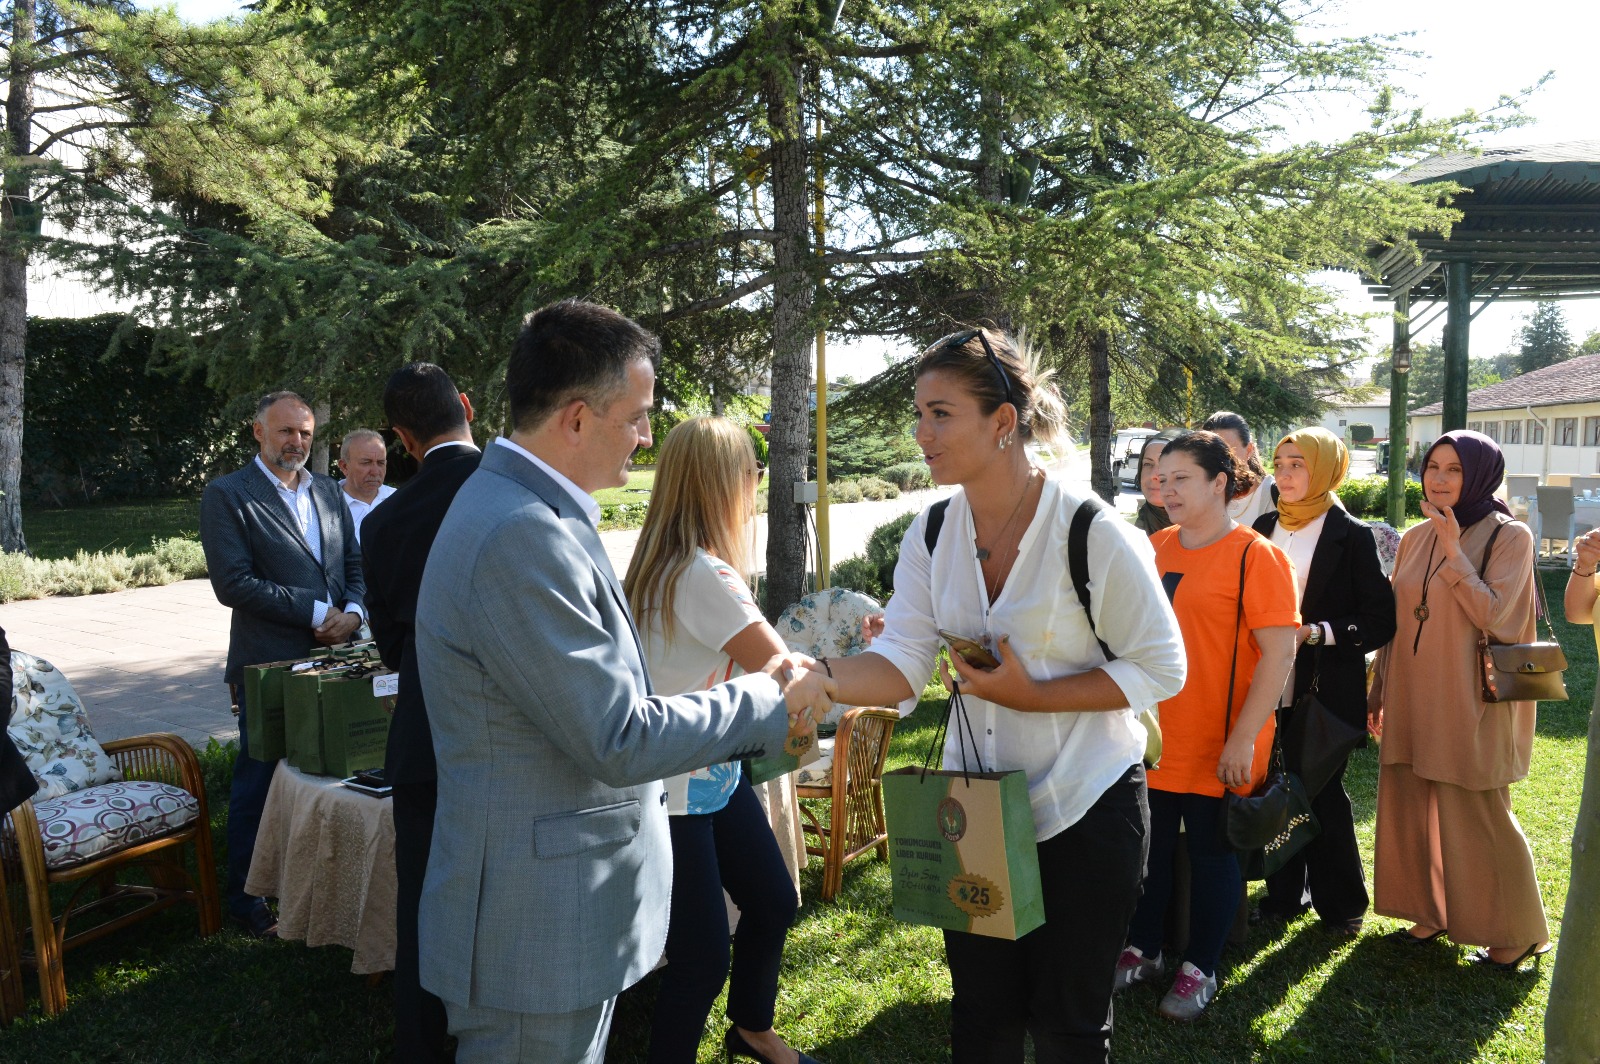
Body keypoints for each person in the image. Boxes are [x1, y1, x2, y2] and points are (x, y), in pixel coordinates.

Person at [412, 300, 835, 1064]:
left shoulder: (531, 511)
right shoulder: (520, 533)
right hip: (533, 933)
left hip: (555, 915)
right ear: (576, 419)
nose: (646, 437)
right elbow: (617, 734)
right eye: (637, 417)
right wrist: (769, 697)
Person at [821, 327, 1186, 1063]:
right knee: (982, 1021)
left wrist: (1031, 698)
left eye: (940, 413)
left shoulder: (1090, 530)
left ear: (1003, 422)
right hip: (980, 813)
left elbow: (1163, 667)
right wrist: (818, 679)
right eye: (918, 413)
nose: (920, 433)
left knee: (1069, 1027)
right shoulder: (931, 530)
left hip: (1087, 808)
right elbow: (901, 660)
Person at [623, 416, 820, 1064]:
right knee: (704, 958)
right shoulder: (704, 573)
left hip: (702, 773)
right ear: (722, 483)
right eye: (750, 471)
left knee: (771, 900)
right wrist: (851, 667)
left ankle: (750, 1029)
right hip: (678, 790)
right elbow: (783, 669)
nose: (758, 483)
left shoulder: (658, 564)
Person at [1117, 430, 1298, 1021]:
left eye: (1180, 479)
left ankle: (1202, 967)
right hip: (1155, 740)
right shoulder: (1153, 547)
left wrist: (1245, 737)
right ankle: (1143, 951)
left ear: (1220, 483)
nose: (1165, 489)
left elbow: (1278, 655)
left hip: (1224, 742)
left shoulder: (1257, 556)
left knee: (1216, 857)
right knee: (1151, 850)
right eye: (1160, 478)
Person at [1367, 430, 1551, 969]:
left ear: (1480, 475)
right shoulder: (1415, 536)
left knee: (1475, 805)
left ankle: (1514, 932)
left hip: (1471, 694)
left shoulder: (1508, 536)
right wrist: (1378, 685)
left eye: (1454, 469)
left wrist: (1454, 550)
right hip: (1410, 687)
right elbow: (1398, 623)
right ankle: (1431, 910)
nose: (1440, 479)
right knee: (1411, 794)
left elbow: (1496, 615)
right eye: (1432, 467)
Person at [200, 391, 366, 938]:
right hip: (269, 666)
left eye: (306, 433)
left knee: (330, 773)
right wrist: (319, 610)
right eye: (285, 432)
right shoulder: (227, 495)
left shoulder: (327, 492)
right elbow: (234, 583)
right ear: (258, 432)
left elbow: (355, 565)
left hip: (336, 660)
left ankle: (315, 883)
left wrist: (354, 612)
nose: (296, 442)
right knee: (260, 782)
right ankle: (247, 901)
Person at [359, 363, 480, 1064]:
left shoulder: (384, 522)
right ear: (466, 406)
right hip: (503, 737)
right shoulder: (512, 489)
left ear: (402, 439)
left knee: (421, 909)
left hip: (423, 735)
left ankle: (421, 1045)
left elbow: (389, 647)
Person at [1251, 428, 1395, 934]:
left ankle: (1342, 907)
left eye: (1297, 464)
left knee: (1323, 793)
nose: (1284, 474)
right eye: (1279, 462)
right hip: (1265, 684)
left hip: (1324, 689)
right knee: (1276, 786)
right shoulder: (1265, 524)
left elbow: (1380, 620)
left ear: (1326, 469)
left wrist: (1318, 633)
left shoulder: (1351, 534)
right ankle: (1283, 897)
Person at [1201, 411, 1276, 528]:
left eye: (1229, 451)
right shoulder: (1198, 497)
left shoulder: (1275, 497)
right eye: (1210, 453)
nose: (1220, 460)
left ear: (1249, 450)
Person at [338, 428, 396, 542]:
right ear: (344, 466)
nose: (375, 471)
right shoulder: (327, 505)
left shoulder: (398, 499)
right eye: (366, 463)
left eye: (381, 463)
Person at [1132, 433, 1175, 536]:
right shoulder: (1134, 533)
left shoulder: (1209, 534)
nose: (1154, 475)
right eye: (1148, 464)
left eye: (1165, 464)